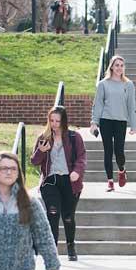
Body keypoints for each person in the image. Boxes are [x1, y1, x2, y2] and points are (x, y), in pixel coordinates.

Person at [31, 106, 87, 260]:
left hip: (70, 181)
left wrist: (77, 171)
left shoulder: (74, 137)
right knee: (53, 214)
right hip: (50, 182)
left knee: (68, 216)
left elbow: (82, 157)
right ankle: (52, 249)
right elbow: (34, 161)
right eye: (52, 120)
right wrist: (41, 151)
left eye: (57, 121)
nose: (54, 124)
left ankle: (70, 246)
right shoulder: (43, 137)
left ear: (64, 121)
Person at [91, 55, 136, 192]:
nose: (119, 68)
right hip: (106, 120)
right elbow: (98, 104)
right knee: (108, 151)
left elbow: (131, 105)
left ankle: (122, 170)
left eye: (121, 65)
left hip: (121, 121)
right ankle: (110, 182)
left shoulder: (128, 84)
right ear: (111, 66)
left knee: (119, 151)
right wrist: (94, 122)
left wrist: (133, 125)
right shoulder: (103, 84)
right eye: (116, 65)